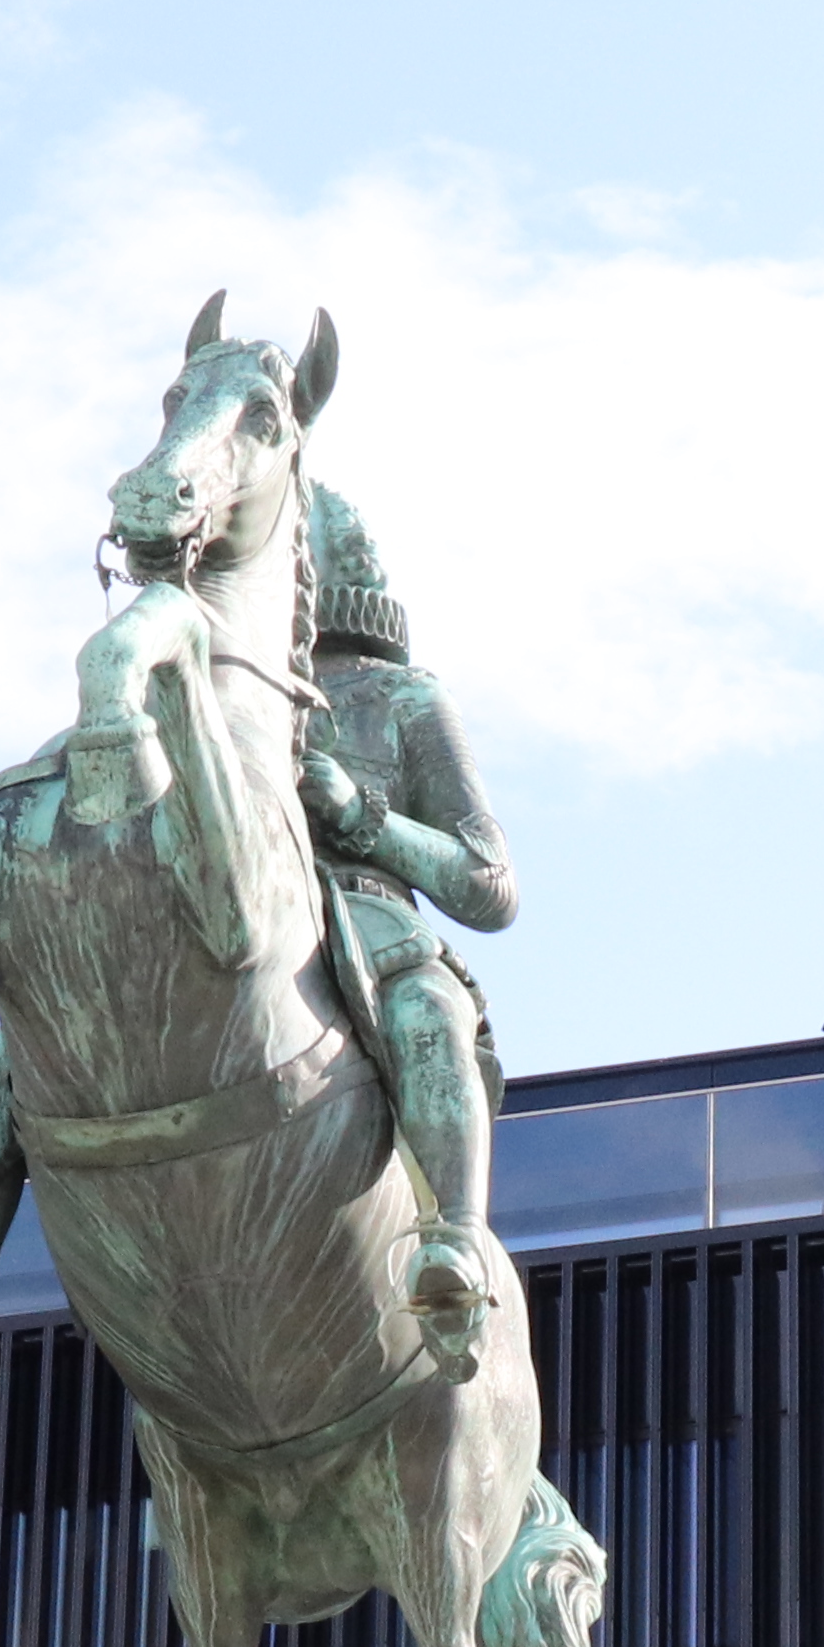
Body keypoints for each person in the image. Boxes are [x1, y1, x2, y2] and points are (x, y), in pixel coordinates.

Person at [291, 485, 524, 1381]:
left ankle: (454, 1247)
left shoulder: (401, 698)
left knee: (430, 1017)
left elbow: (489, 882)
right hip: (209, 922)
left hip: (368, 918)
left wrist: (364, 817)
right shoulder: (207, 695)